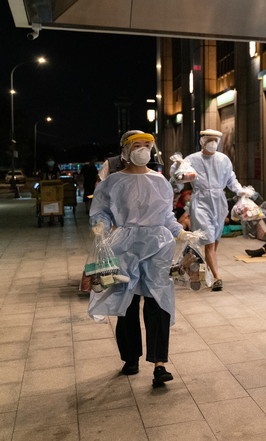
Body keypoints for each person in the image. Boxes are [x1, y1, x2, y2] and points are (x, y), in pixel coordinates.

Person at [89, 131, 187, 385]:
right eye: (137, 145)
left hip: (157, 245)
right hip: (124, 246)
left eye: (147, 145)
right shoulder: (112, 183)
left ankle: (159, 364)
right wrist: (100, 229)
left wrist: (182, 232)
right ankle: (130, 358)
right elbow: (100, 211)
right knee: (127, 304)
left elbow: (166, 216)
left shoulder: (160, 181)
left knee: (159, 302)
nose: (143, 150)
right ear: (125, 151)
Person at [186, 129, 248, 291]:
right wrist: (180, 173)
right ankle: (216, 277)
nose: (213, 143)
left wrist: (240, 191)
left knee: (214, 241)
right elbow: (178, 174)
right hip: (200, 201)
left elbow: (231, 178)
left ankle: (205, 269)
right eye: (210, 139)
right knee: (209, 240)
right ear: (202, 141)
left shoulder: (223, 159)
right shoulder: (192, 159)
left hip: (219, 202)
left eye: (216, 140)